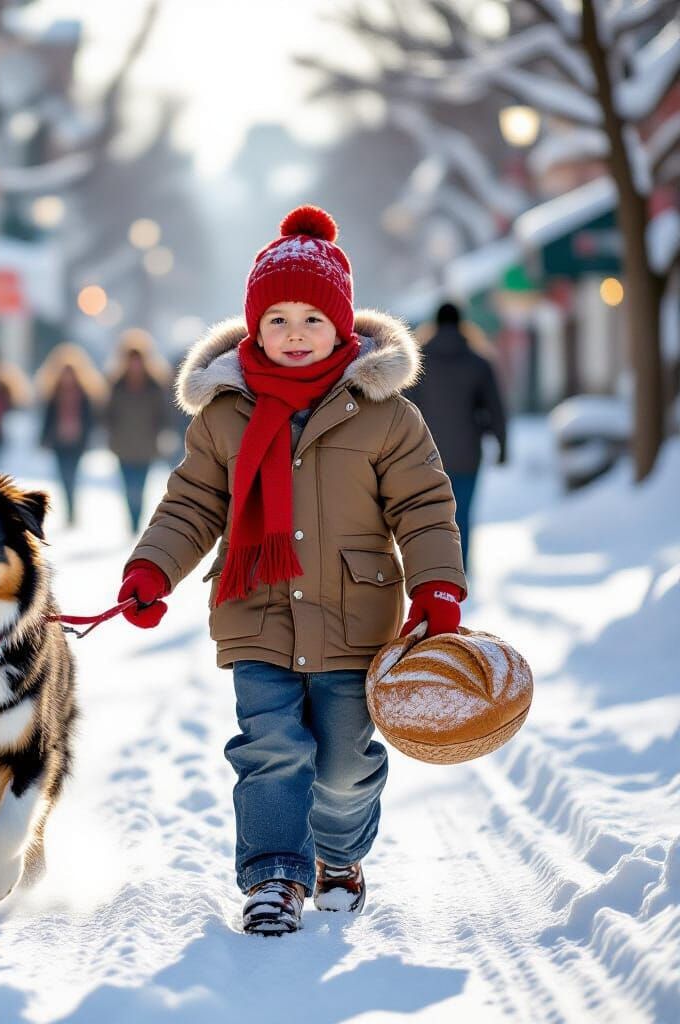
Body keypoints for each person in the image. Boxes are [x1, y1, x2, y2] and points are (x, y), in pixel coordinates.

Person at [115, 206, 467, 934]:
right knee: (271, 749)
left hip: (354, 619)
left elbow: (426, 506)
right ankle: (274, 876)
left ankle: (338, 854)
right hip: (258, 611)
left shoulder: (387, 415)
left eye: (312, 317)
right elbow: (191, 505)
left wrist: (436, 585)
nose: (296, 333)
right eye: (277, 318)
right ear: (253, 328)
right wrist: (152, 571)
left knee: (341, 764)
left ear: (342, 327)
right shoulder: (223, 416)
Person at [405, 302, 507, 573]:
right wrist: (502, 446)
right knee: (461, 514)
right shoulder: (479, 362)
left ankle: (432, 566)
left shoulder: (418, 362)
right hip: (467, 454)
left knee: (429, 513)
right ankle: (459, 568)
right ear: (463, 324)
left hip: (425, 454)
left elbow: (405, 409)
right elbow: (495, 409)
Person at [105, 328, 173, 533]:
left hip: (146, 447)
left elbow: (164, 414)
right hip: (123, 446)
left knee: (139, 489)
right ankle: (131, 522)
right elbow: (107, 414)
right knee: (128, 489)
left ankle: (136, 523)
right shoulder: (116, 385)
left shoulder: (154, 385)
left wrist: (162, 434)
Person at [35, 343, 106, 526]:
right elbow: (47, 419)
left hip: (77, 442)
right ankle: (70, 509)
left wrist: (89, 438)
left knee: (72, 474)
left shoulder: (85, 394)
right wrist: (43, 439)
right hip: (59, 442)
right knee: (63, 475)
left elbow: (91, 419)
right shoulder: (53, 394)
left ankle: (72, 510)